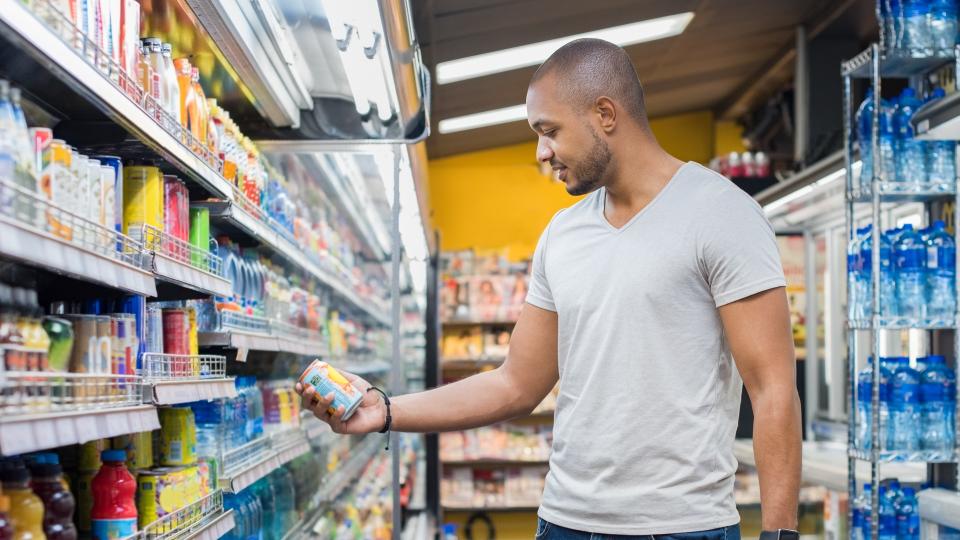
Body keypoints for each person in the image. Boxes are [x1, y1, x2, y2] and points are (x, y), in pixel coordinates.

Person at [296, 38, 801, 540]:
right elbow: (516, 383)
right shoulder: (563, 233)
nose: (541, 152)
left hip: (681, 527)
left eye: (549, 130)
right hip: (564, 521)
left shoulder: (721, 213)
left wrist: (781, 536)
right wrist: (385, 410)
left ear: (605, 114)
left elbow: (772, 388)